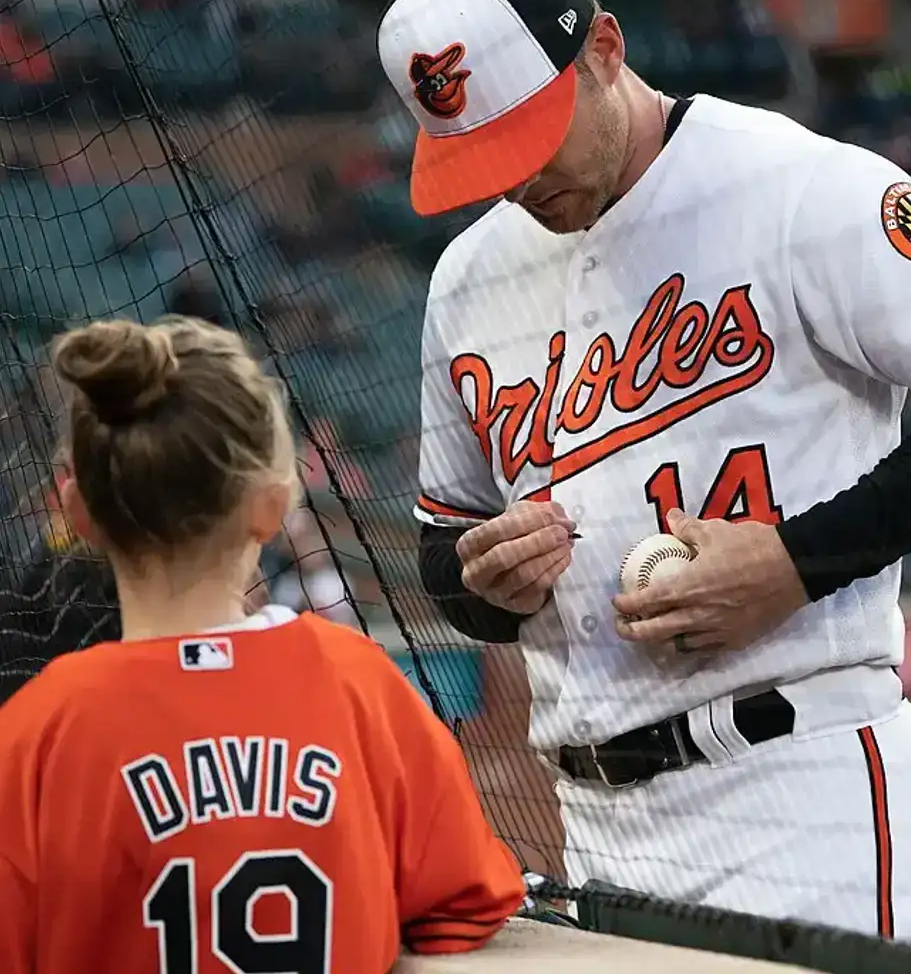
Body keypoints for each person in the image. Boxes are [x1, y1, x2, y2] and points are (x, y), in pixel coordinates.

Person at [376, 0, 911, 951]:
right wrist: (479, 578)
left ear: (602, 48)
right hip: (592, 824)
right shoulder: (465, 281)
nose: (514, 183)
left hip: (805, 798)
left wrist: (798, 561)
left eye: (527, 138)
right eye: (481, 160)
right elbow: (443, 552)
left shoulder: (792, 187)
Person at [0, 317, 523, 973]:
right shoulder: (360, 685)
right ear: (274, 510)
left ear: (80, 515)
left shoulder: (33, 733)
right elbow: (470, 902)